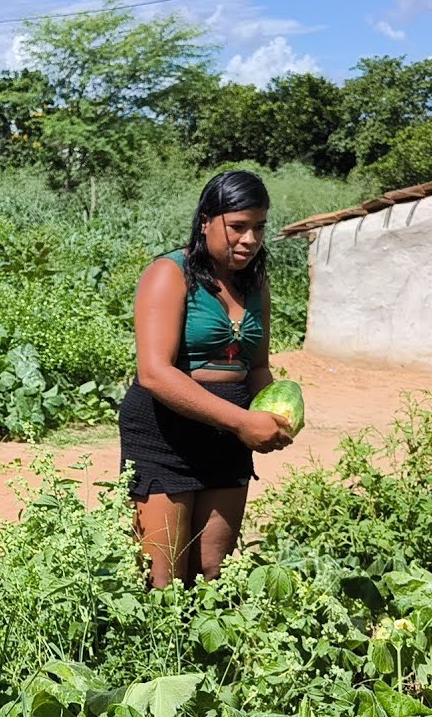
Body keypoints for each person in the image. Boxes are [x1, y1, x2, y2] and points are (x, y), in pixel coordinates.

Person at [120, 169, 294, 590]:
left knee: (213, 571)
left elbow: (256, 367)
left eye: (259, 227)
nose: (250, 239)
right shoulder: (169, 273)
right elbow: (155, 373)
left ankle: (204, 655)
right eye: (238, 227)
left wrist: (272, 411)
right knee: (163, 581)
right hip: (166, 434)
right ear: (206, 221)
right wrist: (240, 421)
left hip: (227, 440)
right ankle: (156, 654)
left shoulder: (255, 284)